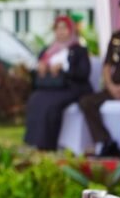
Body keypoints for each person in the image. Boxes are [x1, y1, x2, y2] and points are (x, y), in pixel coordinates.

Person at [79, 0, 120, 158]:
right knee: (86, 102)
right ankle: (106, 142)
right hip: (115, 85)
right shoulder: (117, 38)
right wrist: (111, 86)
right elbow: (107, 66)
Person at [24, 16, 92, 150]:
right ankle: (33, 142)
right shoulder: (47, 51)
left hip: (72, 88)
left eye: (64, 28)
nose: (60, 32)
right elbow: (35, 74)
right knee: (35, 99)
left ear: (71, 30)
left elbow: (83, 73)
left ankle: (48, 144)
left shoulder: (79, 50)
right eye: (57, 28)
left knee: (50, 105)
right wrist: (41, 68)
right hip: (50, 88)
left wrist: (65, 69)